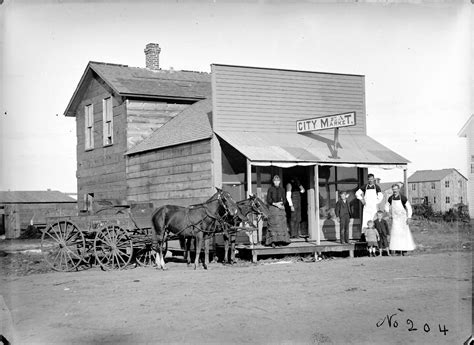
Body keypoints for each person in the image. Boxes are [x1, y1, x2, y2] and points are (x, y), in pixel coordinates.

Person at [385, 184, 416, 255]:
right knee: (395, 234)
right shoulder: (390, 198)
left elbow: (409, 208)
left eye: (396, 189)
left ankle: (404, 250)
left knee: (403, 234)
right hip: (395, 219)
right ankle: (397, 250)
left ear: (398, 189)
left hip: (403, 219)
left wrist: (409, 217)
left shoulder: (403, 198)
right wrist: (388, 214)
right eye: (393, 189)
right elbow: (386, 206)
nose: (394, 191)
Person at [266, 175, 291, 247]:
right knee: (273, 225)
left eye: (278, 181)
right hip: (273, 209)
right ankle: (273, 241)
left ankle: (281, 241)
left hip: (280, 209)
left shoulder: (282, 189)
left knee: (281, 225)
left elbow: (285, 199)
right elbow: (268, 199)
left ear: (279, 182)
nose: (276, 182)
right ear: (273, 182)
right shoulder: (270, 189)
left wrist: (282, 203)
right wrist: (276, 204)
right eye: (275, 181)